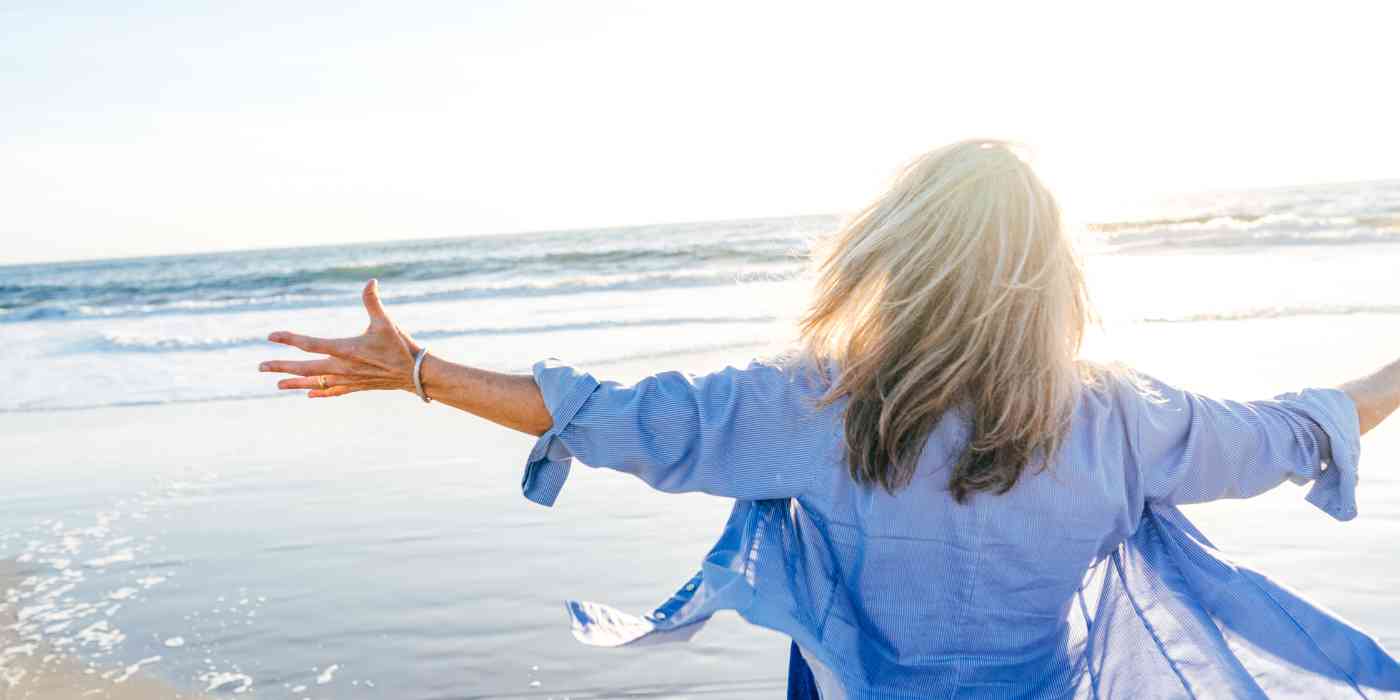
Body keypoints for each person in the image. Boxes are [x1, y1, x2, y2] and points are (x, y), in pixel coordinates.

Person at [258, 140, 1400, 698]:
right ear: (1053, 272)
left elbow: (616, 421)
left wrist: (420, 372)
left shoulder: (815, 407)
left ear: (894, 257)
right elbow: (1294, 431)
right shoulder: (1118, 421)